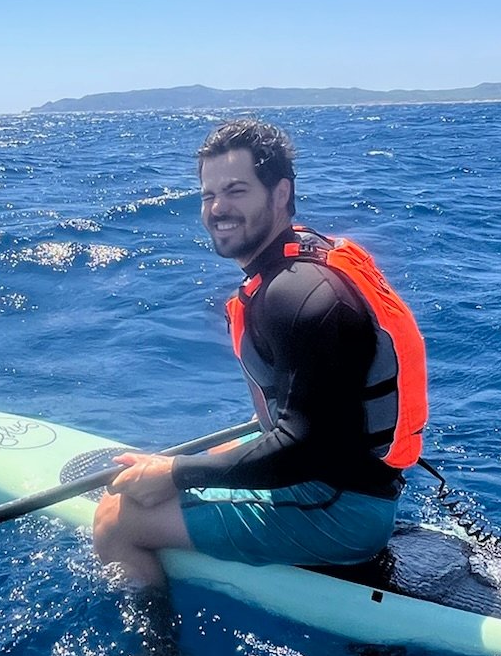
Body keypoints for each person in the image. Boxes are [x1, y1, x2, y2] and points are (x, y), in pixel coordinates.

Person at [93, 119, 428, 587]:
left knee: (115, 519)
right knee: (185, 467)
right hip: (347, 483)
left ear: (280, 194)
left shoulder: (297, 296)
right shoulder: (300, 262)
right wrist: (181, 471)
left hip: (338, 511)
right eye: (208, 195)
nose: (217, 209)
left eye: (236, 191)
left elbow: (304, 448)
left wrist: (176, 475)